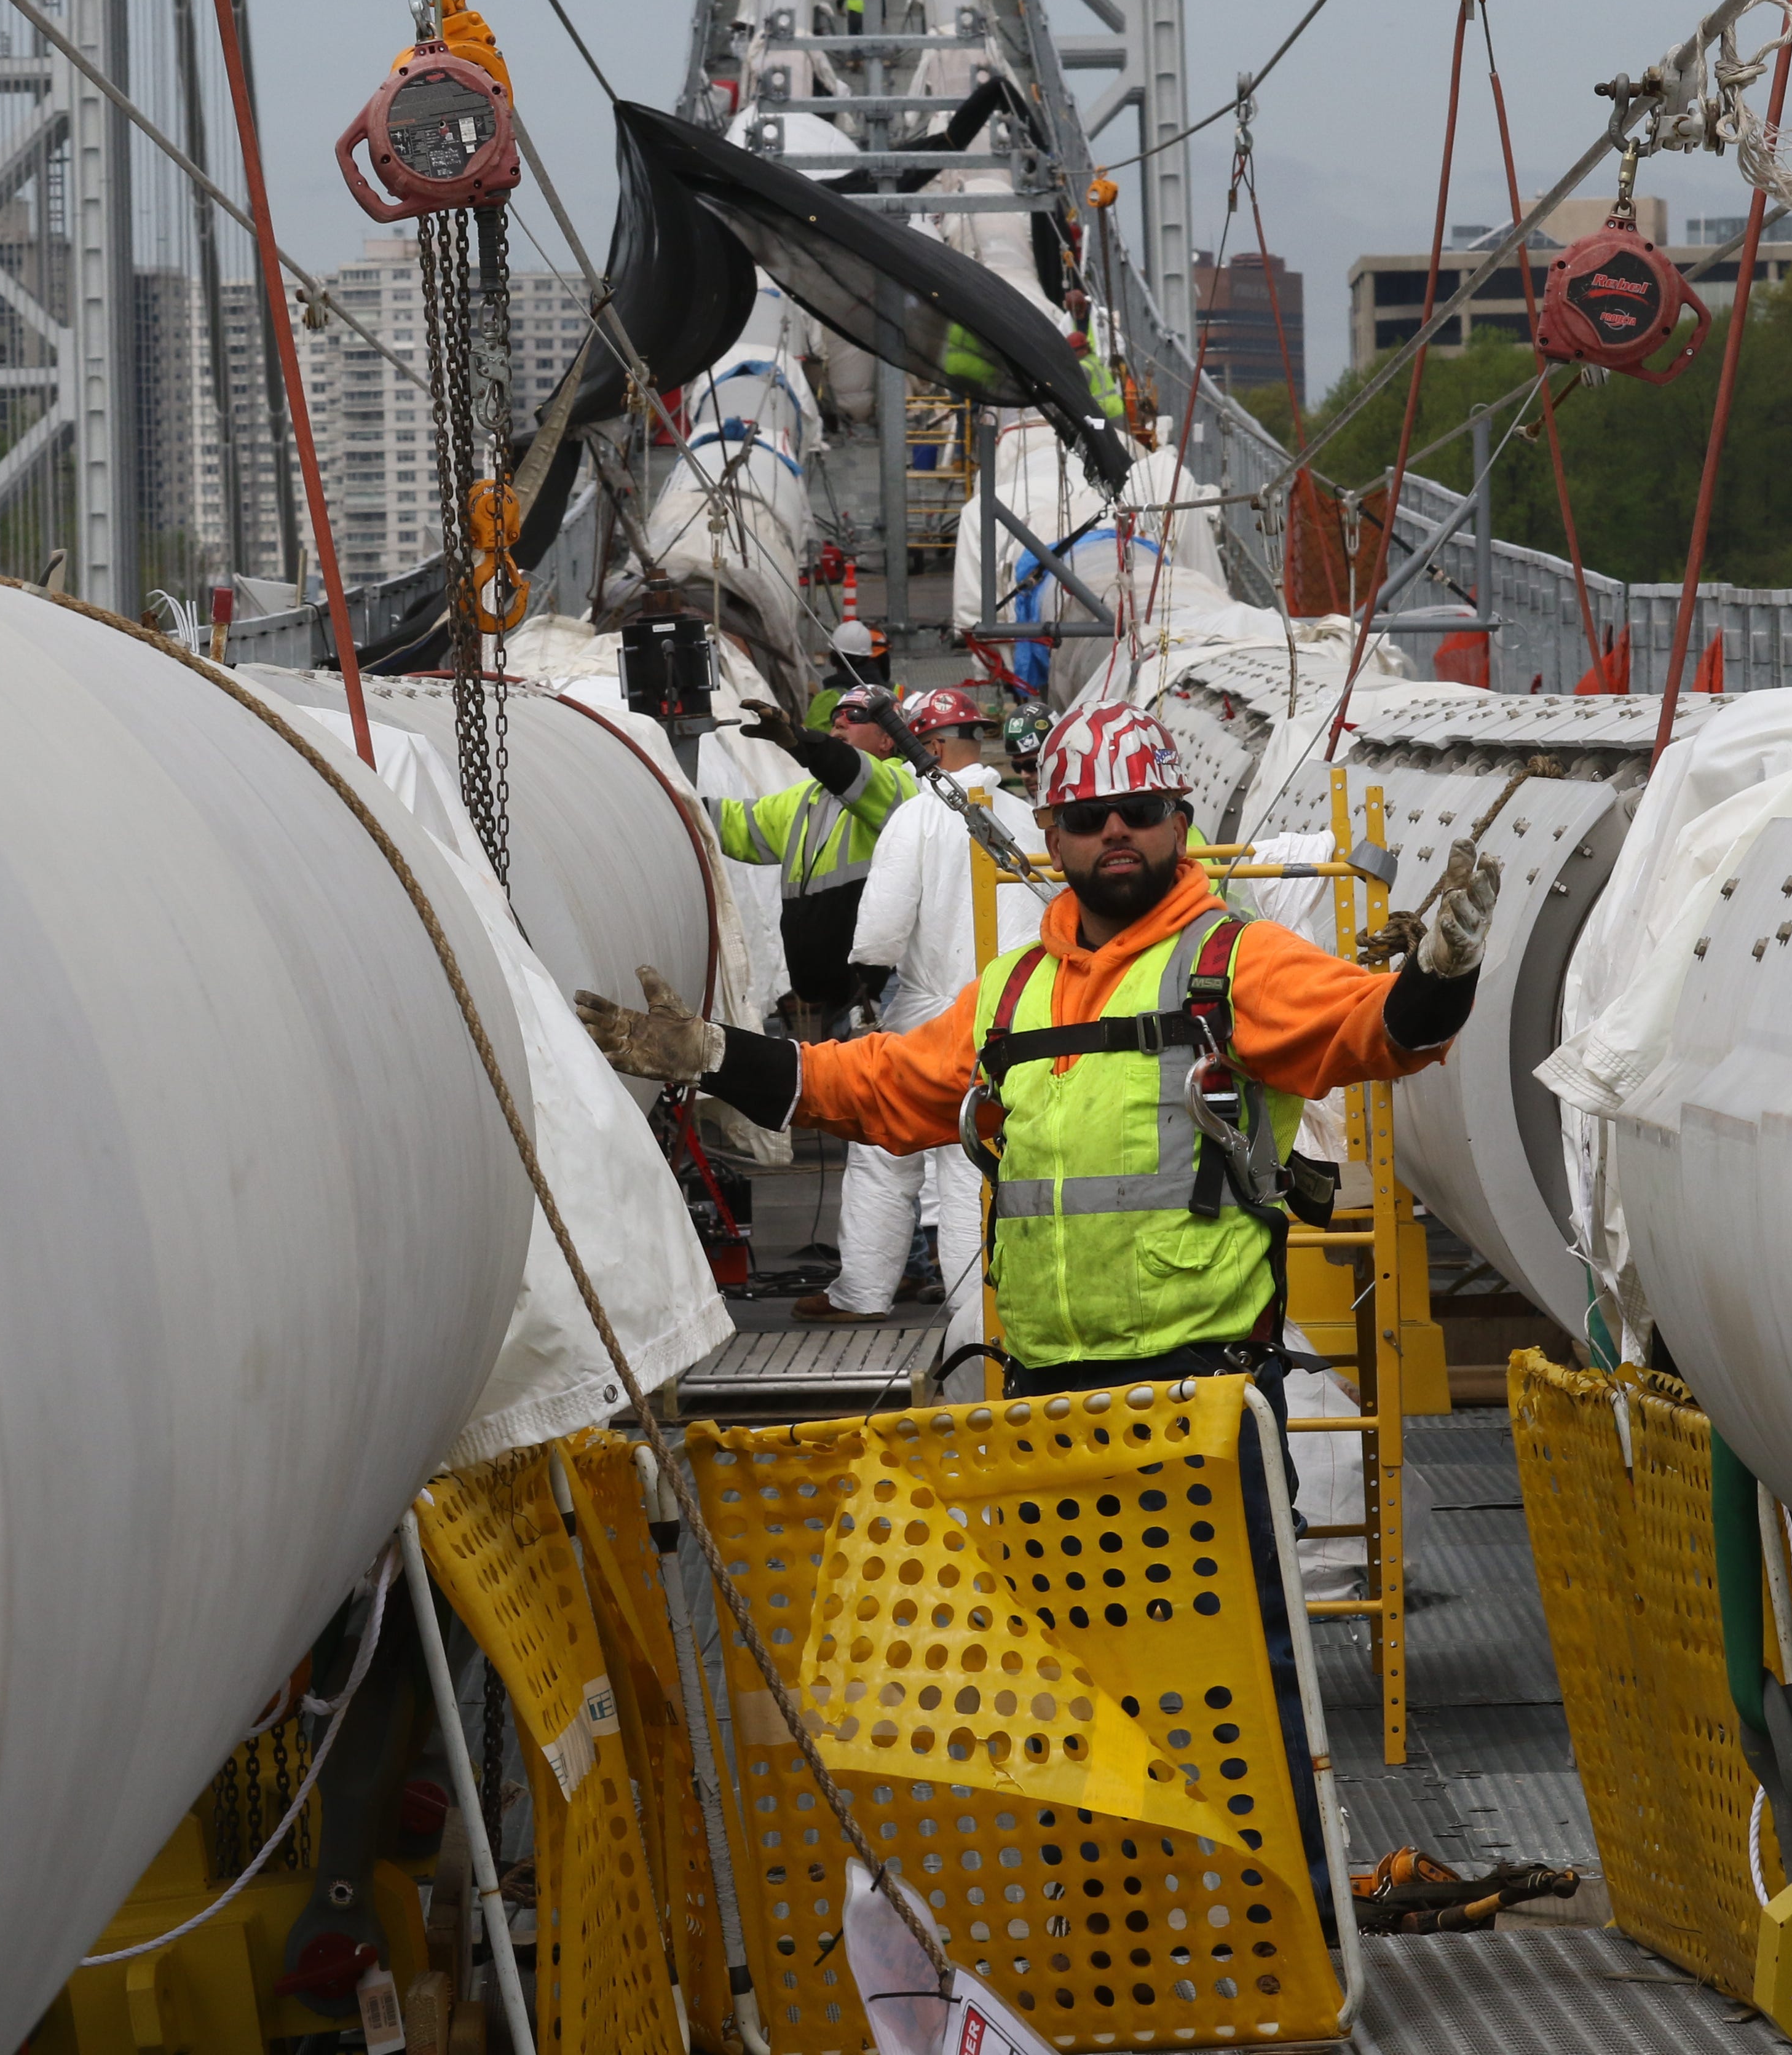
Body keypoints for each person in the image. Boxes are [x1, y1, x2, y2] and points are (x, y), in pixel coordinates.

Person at [575, 701, 1499, 1864]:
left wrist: (1442, 973)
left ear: (1178, 823)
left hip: (1204, 1402)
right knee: (1075, 1697)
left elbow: (1378, 1030)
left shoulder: (1236, 966)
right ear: (1051, 834)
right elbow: (873, 1084)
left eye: (1140, 811)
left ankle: (1288, 1919)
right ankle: (1107, 1924)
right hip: (1053, 1407)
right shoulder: (1012, 997)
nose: (1117, 833)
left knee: (1240, 1691)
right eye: (1089, 815)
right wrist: (719, 1058)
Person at [799, 686, 1044, 1328]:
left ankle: (863, 1292)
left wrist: (859, 985)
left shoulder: (918, 816)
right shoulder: (1024, 818)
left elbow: (880, 934)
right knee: (976, 1160)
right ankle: (976, 1311)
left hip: (931, 1014)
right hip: (1016, 1017)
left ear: (929, 745)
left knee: (883, 1148)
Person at [706, 686, 917, 1016]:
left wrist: (800, 741)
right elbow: (735, 824)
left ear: (888, 740)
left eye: (855, 716)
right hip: (826, 1004)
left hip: (877, 997)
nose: (840, 723)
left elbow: (853, 770)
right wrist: (673, 800)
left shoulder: (901, 786)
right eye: (835, 718)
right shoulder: (806, 798)